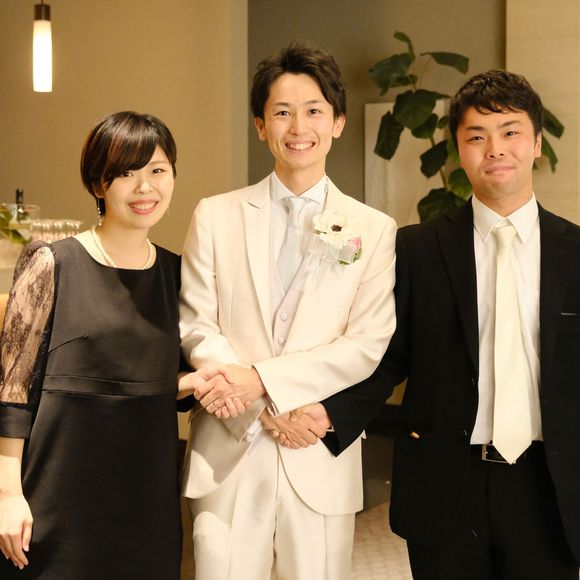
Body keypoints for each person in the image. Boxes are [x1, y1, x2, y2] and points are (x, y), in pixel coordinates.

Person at [312, 70, 580, 579]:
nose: (495, 149)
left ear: (536, 143)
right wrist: (328, 414)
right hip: (446, 482)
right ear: (459, 149)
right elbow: (387, 355)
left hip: (550, 486)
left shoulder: (576, 251)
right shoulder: (416, 249)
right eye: (477, 137)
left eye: (510, 132)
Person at [178, 43, 396, 579]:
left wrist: (264, 383)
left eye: (313, 110)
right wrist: (255, 400)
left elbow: (366, 343)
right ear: (260, 126)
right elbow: (195, 323)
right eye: (281, 112)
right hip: (229, 446)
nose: (298, 127)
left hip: (315, 448)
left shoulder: (373, 229)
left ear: (337, 122)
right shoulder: (216, 215)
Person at [0, 111, 185, 579]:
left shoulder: (177, 274)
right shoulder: (51, 262)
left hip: (149, 498)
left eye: (157, 171)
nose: (145, 188)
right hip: (59, 496)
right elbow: (12, 390)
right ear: (99, 183)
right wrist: (7, 494)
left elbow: (163, 377)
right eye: (126, 173)